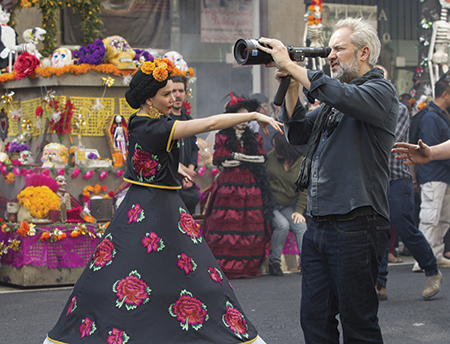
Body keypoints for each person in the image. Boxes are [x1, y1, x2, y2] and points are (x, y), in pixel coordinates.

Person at [43, 58, 282, 344]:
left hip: (149, 205)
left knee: (138, 274)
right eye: (166, 94)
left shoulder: (142, 122)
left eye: (174, 92)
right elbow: (213, 122)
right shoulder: (156, 129)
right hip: (156, 208)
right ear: (149, 99)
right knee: (179, 276)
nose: (174, 98)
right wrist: (253, 116)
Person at [257, 17, 398, 343]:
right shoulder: (334, 104)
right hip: (320, 224)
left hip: (357, 223)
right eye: (329, 48)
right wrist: (292, 86)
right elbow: (298, 133)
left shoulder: (380, 91)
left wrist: (292, 66)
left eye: (339, 48)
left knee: (358, 324)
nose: (330, 55)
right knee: (315, 320)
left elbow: (335, 92)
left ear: (363, 53)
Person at [375, 65, 441, 301]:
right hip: (375, 181)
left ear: (388, 83)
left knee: (404, 226)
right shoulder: (365, 108)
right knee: (378, 230)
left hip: (397, 178)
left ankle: (432, 270)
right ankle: (379, 283)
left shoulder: (399, 109)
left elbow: (387, 143)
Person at [202, 93, 274, 279]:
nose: (243, 121)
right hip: (229, 186)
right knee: (225, 223)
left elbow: (261, 158)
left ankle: (247, 265)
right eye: (240, 116)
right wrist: (246, 160)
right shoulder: (223, 136)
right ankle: (224, 266)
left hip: (251, 186)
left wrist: (238, 157)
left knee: (251, 223)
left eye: (247, 116)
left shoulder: (255, 137)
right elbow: (223, 162)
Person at [404, 76, 450, 271]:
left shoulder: (440, 114)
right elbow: (429, 148)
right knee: (430, 217)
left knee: (443, 217)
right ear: (445, 94)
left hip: (443, 174)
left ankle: (436, 253)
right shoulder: (431, 116)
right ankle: (423, 258)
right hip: (433, 174)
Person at [265, 132, 307, 276]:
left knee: (301, 226)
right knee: (282, 225)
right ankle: (274, 263)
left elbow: (304, 189)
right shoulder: (270, 157)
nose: (273, 149)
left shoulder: (301, 162)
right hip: (271, 205)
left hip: (287, 206)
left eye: (276, 147)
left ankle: (305, 263)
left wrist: (299, 211)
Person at [169, 74, 199, 215]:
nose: (177, 95)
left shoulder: (189, 121)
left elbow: (194, 148)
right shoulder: (163, 121)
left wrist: (190, 173)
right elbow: (163, 153)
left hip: (187, 184)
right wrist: (185, 172)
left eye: (181, 91)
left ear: (186, 94)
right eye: (174, 91)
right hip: (170, 181)